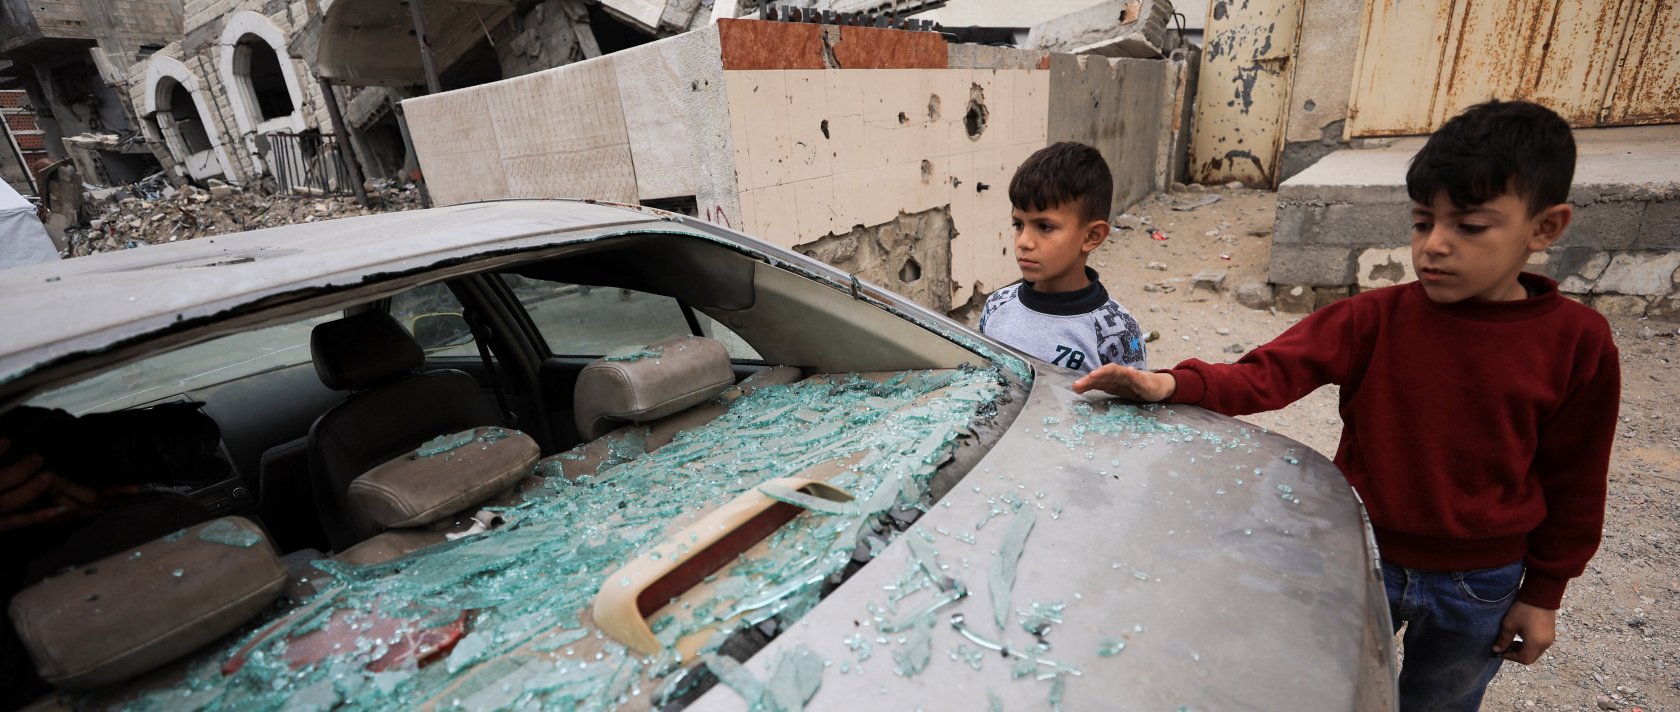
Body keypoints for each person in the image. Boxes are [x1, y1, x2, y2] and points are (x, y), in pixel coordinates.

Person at [1071, 100, 1620, 710]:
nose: (1434, 246)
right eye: (1421, 222)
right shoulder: (1374, 320)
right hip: (1362, 559)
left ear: (1546, 228)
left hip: (1481, 584)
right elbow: (1266, 375)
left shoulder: (1577, 343)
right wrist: (1171, 384)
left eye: (1469, 226)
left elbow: (1576, 476)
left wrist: (1544, 593)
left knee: (1441, 703)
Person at [979, 141, 1148, 373]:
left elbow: (1130, 407)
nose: (1024, 242)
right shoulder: (997, 305)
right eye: (1018, 224)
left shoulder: (1116, 332)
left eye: (1045, 227)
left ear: (1091, 236)